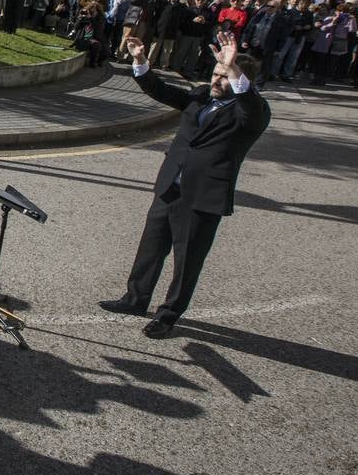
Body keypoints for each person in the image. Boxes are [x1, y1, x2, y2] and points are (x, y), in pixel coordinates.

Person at [99, 34, 270, 338]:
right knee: (150, 248)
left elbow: (250, 105)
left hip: (203, 197)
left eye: (225, 77)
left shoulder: (251, 113)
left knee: (186, 261)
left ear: (242, 79)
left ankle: (168, 315)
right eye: (215, 74)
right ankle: (135, 299)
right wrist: (140, 60)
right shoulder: (202, 95)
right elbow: (161, 91)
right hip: (171, 187)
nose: (217, 81)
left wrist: (233, 68)